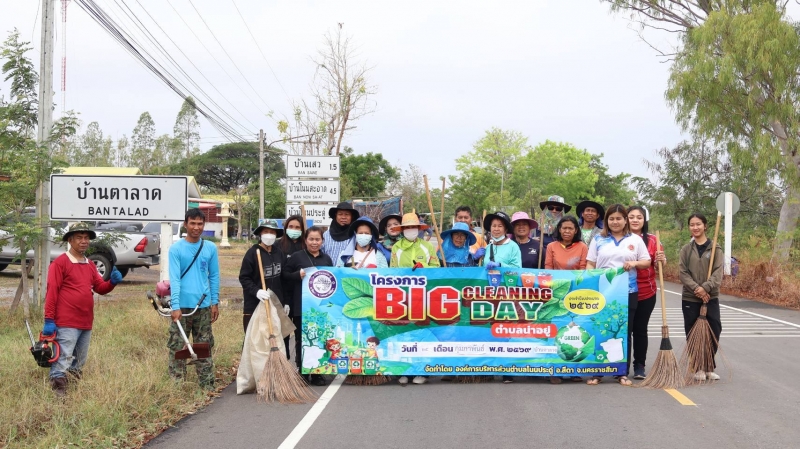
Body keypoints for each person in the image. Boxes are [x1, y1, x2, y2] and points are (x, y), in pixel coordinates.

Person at [43, 222, 123, 396]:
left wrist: (112, 282)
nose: (84, 241)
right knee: (63, 359)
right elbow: (51, 292)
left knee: (79, 362)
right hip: (66, 322)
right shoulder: (60, 263)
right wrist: (49, 319)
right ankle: (59, 396)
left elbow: (100, 288)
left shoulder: (90, 264)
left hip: (86, 322)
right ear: (70, 240)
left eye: (86, 238)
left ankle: (73, 394)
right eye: (79, 237)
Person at [585, 204, 650, 387]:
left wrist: (634, 263)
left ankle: (621, 372)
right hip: (603, 292)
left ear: (625, 220)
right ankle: (598, 372)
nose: (615, 222)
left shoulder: (635, 240)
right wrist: (591, 277)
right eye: (611, 219)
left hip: (627, 292)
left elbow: (646, 261)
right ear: (606, 221)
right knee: (601, 330)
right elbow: (590, 263)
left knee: (624, 332)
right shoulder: (598, 239)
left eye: (619, 218)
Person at [168, 209, 221, 390]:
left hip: (203, 306)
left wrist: (215, 302)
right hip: (181, 308)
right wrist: (175, 306)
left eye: (200, 224)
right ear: (185, 224)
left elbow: (214, 276)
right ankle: (177, 386)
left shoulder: (210, 248)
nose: (196, 227)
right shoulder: (176, 249)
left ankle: (207, 386)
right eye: (192, 223)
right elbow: (174, 279)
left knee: (203, 346)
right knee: (178, 346)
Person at [390, 212, 440, 385]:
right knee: (404, 334)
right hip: (403, 297)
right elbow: (392, 272)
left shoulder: (427, 247)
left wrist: (423, 266)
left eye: (413, 227)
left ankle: (422, 371)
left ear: (419, 229)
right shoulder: (396, 248)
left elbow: (436, 268)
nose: (411, 230)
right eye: (407, 227)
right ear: (402, 230)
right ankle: (404, 371)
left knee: (422, 334)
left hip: (423, 296)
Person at [283, 226, 332, 386]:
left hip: (320, 308)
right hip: (301, 305)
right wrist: (297, 275)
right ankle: (303, 370)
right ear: (305, 240)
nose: (314, 242)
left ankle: (317, 372)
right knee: (301, 339)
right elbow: (284, 275)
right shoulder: (297, 257)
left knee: (319, 338)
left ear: (322, 241)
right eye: (311, 239)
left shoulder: (327, 259)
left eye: (317, 239)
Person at [679, 213, 723, 381]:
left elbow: (718, 272)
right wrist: (697, 288)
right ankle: (698, 367)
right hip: (690, 297)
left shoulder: (715, 248)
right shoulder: (686, 249)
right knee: (693, 332)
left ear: (705, 226)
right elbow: (682, 273)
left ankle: (709, 366)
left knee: (714, 329)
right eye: (692, 224)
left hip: (711, 296)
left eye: (698, 224)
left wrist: (705, 288)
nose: (695, 227)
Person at [481, 211, 521, 384]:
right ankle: (490, 367)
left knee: (506, 329)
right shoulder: (488, 246)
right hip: (489, 293)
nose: (496, 229)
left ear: (505, 229)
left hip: (507, 292)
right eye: (493, 226)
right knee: (490, 329)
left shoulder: (513, 246)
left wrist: (501, 265)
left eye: (500, 226)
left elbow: (518, 268)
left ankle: (508, 370)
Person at [627, 206, 666, 380]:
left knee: (640, 329)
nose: (635, 220)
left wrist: (661, 260)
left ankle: (639, 366)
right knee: (624, 330)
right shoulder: (619, 238)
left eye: (639, 217)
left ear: (644, 220)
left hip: (646, 291)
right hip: (622, 291)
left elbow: (660, 265)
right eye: (631, 217)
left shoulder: (653, 240)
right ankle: (621, 366)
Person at [238, 219, 288, 338]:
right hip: (255, 304)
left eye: (272, 232)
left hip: (275, 304)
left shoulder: (279, 253)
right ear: (260, 234)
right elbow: (244, 277)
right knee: (255, 340)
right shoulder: (252, 253)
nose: (269, 235)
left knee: (275, 339)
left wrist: (286, 301)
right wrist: (256, 291)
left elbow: (284, 279)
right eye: (266, 231)